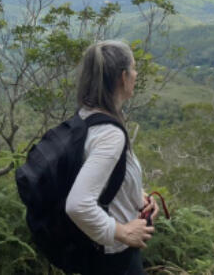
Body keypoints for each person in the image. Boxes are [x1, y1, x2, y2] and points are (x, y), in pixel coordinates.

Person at [66, 40, 158, 275]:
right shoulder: (109, 134)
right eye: (134, 68)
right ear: (123, 77)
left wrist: (139, 198)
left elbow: (107, 180)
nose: (136, 74)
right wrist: (124, 233)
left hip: (99, 252)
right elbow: (78, 204)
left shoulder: (89, 117)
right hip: (114, 259)